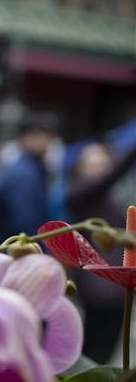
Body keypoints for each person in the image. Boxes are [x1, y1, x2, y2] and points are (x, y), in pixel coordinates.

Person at [66, 141, 136, 363]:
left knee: (107, 349)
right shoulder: (79, 194)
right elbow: (113, 175)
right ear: (80, 169)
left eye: (104, 163)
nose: (100, 168)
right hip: (98, 285)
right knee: (94, 351)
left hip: (118, 284)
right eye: (93, 163)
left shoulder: (111, 199)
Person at [0, 112, 59, 252]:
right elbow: (25, 220)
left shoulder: (31, 170)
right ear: (24, 139)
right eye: (40, 137)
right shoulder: (24, 173)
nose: (47, 143)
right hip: (14, 251)